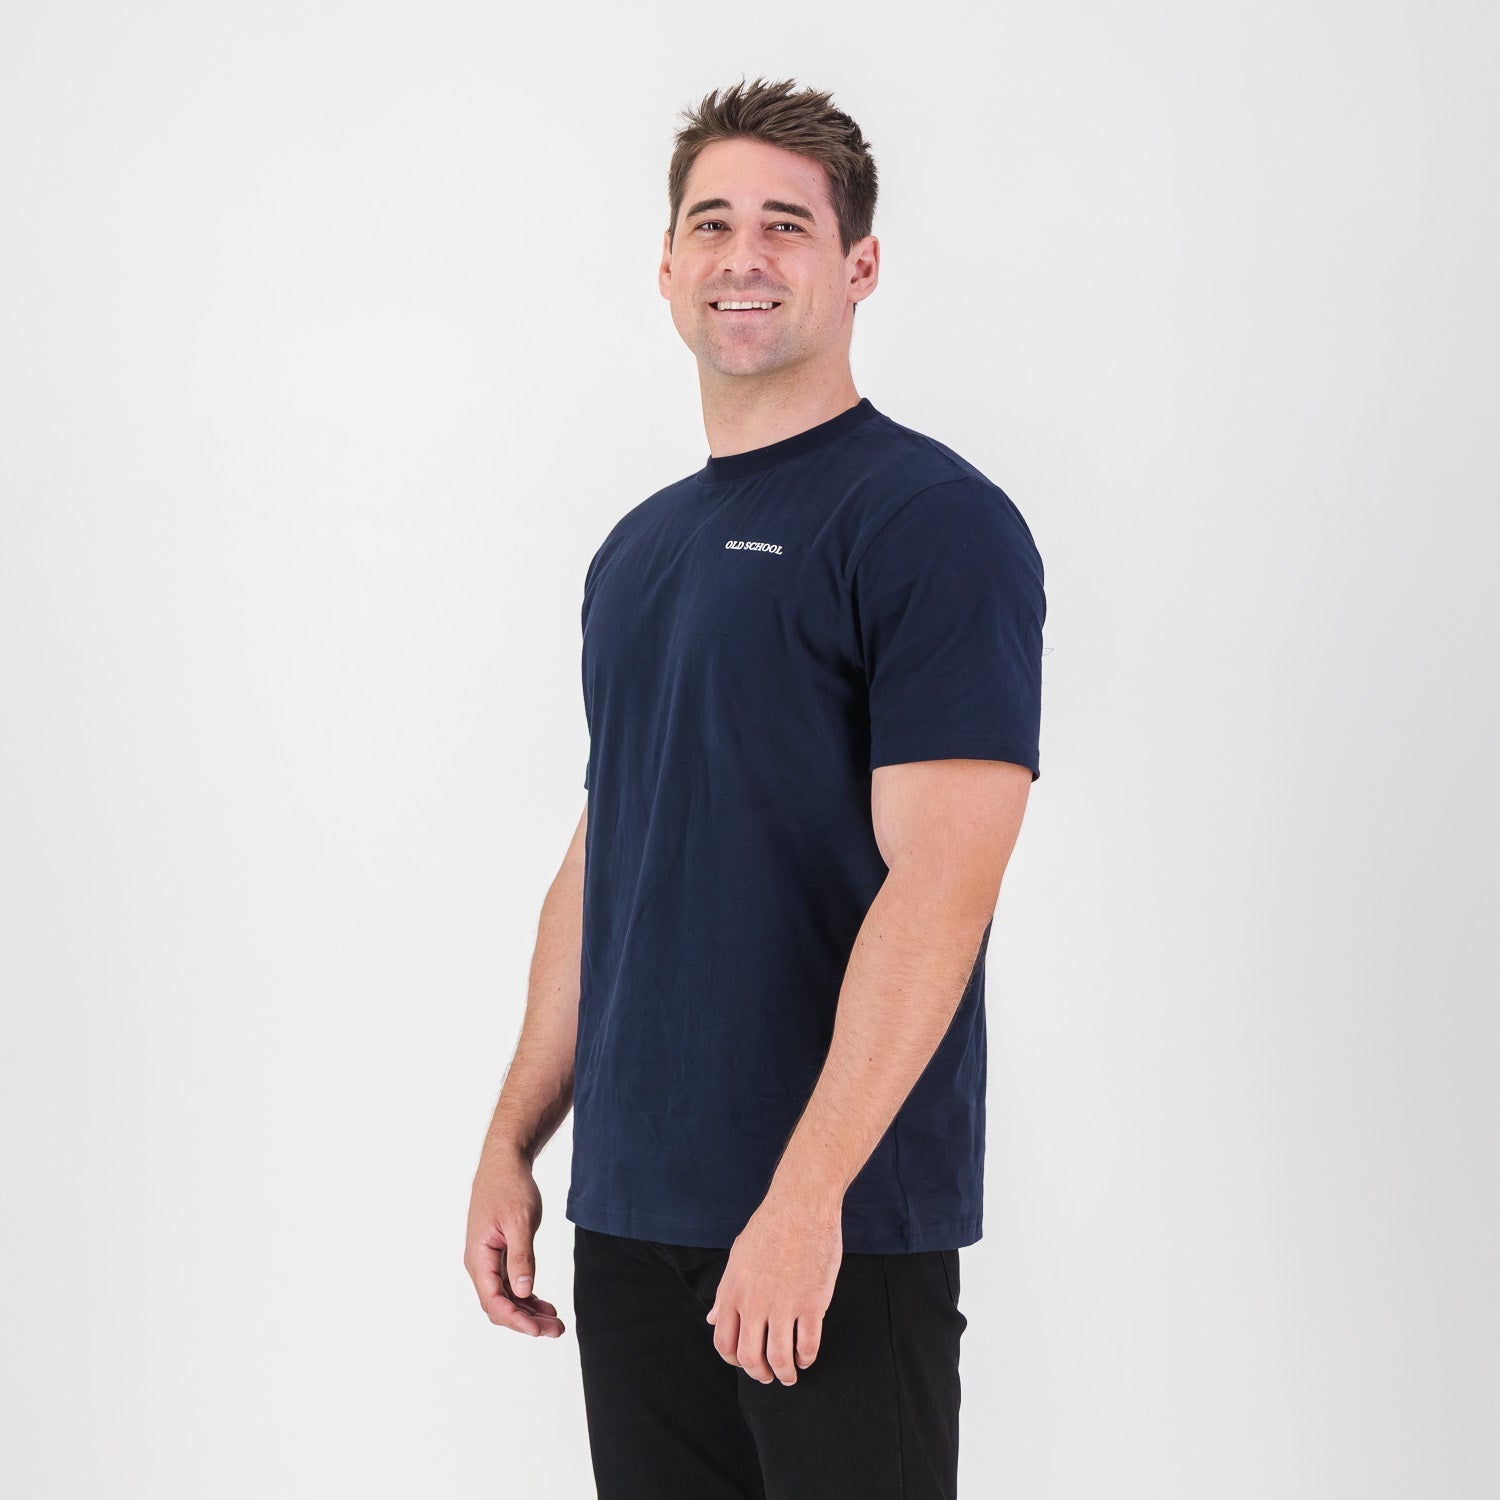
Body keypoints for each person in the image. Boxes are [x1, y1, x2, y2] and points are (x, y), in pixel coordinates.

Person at [465, 76, 1047, 1499]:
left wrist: (804, 1198)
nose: (744, 255)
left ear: (859, 266)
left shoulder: (929, 521)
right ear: (666, 266)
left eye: (788, 225)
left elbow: (945, 884)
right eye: (712, 223)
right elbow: (610, 853)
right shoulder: (638, 551)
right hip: (632, 1215)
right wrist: (512, 1137)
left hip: (830, 1226)